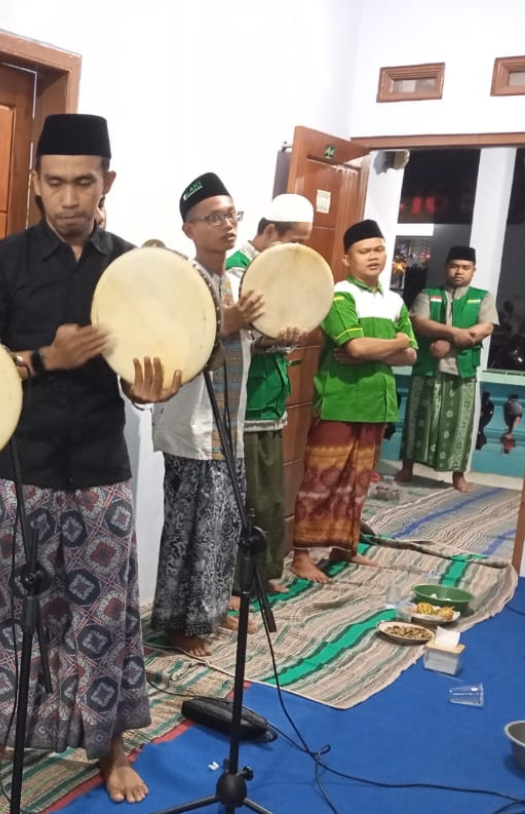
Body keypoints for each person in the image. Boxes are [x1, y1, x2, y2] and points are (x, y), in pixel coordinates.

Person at [0, 113, 180, 804]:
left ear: (107, 181)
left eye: (85, 182)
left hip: (102, 468)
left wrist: (148, 386)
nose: (71, 199)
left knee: (103, 615)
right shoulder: (4, 262)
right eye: (56, 183)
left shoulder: (131, 267)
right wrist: (45, 358)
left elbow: (151, 365)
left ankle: (109, 748)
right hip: (23, 467)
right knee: (5, 611)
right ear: (35, 185)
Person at [150, 173, 263, 657]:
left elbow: (255, 338)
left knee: (224, 525)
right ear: (188, 229)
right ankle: (178, 620)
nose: (227, 225)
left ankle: (214, 608)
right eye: (213, 217)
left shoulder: (237, 281)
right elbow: (173, 343)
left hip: (230, 425)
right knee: (188, 528)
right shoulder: (180, 282)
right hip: (191, 427)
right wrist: (226, 322)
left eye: (231, 215)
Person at [291, 220, 417, 583]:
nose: (374, 257)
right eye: (365, 251)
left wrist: (385, 350)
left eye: (379, 249)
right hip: (340, 400)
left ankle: (346, 546)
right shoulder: (339, 295)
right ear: (347, 258)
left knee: (359, 479)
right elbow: (357, 347)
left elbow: (412, 355)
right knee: (322, 479)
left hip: (377, 402)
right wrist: (395, 343)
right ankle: (301, 555)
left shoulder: (394, 300)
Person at [224, 194, 313, 595]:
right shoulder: (236, 271)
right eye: (296, 240)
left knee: (271, 496)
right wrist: (272, 337)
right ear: (270, 231)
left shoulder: (284, 271)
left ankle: (263, 573)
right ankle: (238, 582)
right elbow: (238, 338)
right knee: (248, 497)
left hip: (271, 392)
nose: (300, 250)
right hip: (245, 398)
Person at [397, 246, 497, 492]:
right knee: (417, 419)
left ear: (474, 271)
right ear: (446, 268)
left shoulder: (482, 297)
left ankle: (458, 476)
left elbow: (485, 328)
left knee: (460, 425)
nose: (459, 272)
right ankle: (407, 468)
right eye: (454, 266)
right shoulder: (427, 294)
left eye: (465, 267)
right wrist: (455, 333)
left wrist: (447, 341)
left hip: (462, 371)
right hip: (428, 369)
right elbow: (419, 323)